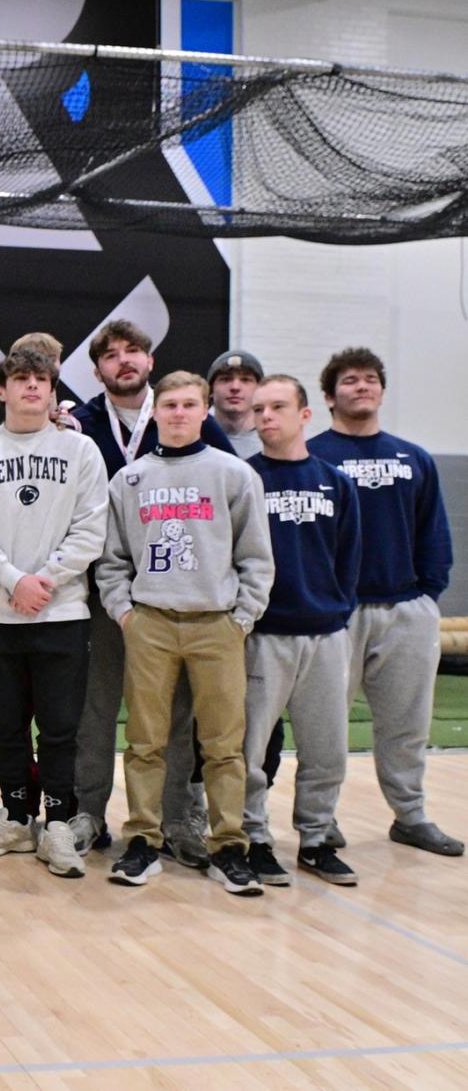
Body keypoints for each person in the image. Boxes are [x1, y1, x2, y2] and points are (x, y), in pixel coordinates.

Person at [68, 319, 237, 863]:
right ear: (96, 370)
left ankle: (176, 817)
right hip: (104, 593)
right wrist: (119, 604)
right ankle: (88, 812)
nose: (124, 360)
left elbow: (231, 505)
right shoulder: (77, 422)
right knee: (97, 708)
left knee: (178, 714)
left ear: (150, 360)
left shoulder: (192, 421)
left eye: (134, 351)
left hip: (181, 595)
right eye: (112, 354)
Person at [100, 372, 274, 894]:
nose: (178, 413)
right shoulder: (129, 480)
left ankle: (228, 846)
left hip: (217, 623)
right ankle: (142, 841)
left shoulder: (233, 474)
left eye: (188, 404)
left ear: (205, 411)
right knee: (145, 741)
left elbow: (256, 558)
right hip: (150, 623)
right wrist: (126, 614)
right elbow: (112, 562)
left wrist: (242, 617)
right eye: (169, 404)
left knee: (224, 745)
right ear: (155, 411)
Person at [0, 347, 106, 877]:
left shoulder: (81, 451)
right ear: (1, 390)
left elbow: (90, 529)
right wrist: (14, 580)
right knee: (2, 723)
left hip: (62, 612)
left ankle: (58, 822)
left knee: (60, 725)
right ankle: (16, 816)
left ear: (54, 388)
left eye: (41, 379)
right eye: (21, 379)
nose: (31, 387)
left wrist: (47, 579)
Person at [309, 347, 460, 856]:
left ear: (381, 391)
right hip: (338, 614)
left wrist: (427, 593)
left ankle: (411, 815)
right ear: (330, 396)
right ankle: (320, 821)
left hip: (406, 608)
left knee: (407, 723)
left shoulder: (412, 457)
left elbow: (433, 532)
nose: (362, 387)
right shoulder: (313, 457)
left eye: (370, 379)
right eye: (349, 381)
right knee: (325, 724)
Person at [241, 375, 361, 886]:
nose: (266, 417)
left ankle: (314, 838)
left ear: (305, 415)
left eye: (278, 407)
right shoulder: (243, 478)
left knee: (326, 746)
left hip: (326, 635)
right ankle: (254, 837)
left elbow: (349, 559)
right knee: (249, 749)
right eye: (259, 409)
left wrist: (333, 610)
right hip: (264, 635)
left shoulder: (336, 482)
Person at [208, 350, 264, 460]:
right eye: (226, 379)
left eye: (245, 380)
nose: (235, 387)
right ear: (211, 390)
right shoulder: (193, 438)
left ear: (259, 390)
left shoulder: (273, 440)